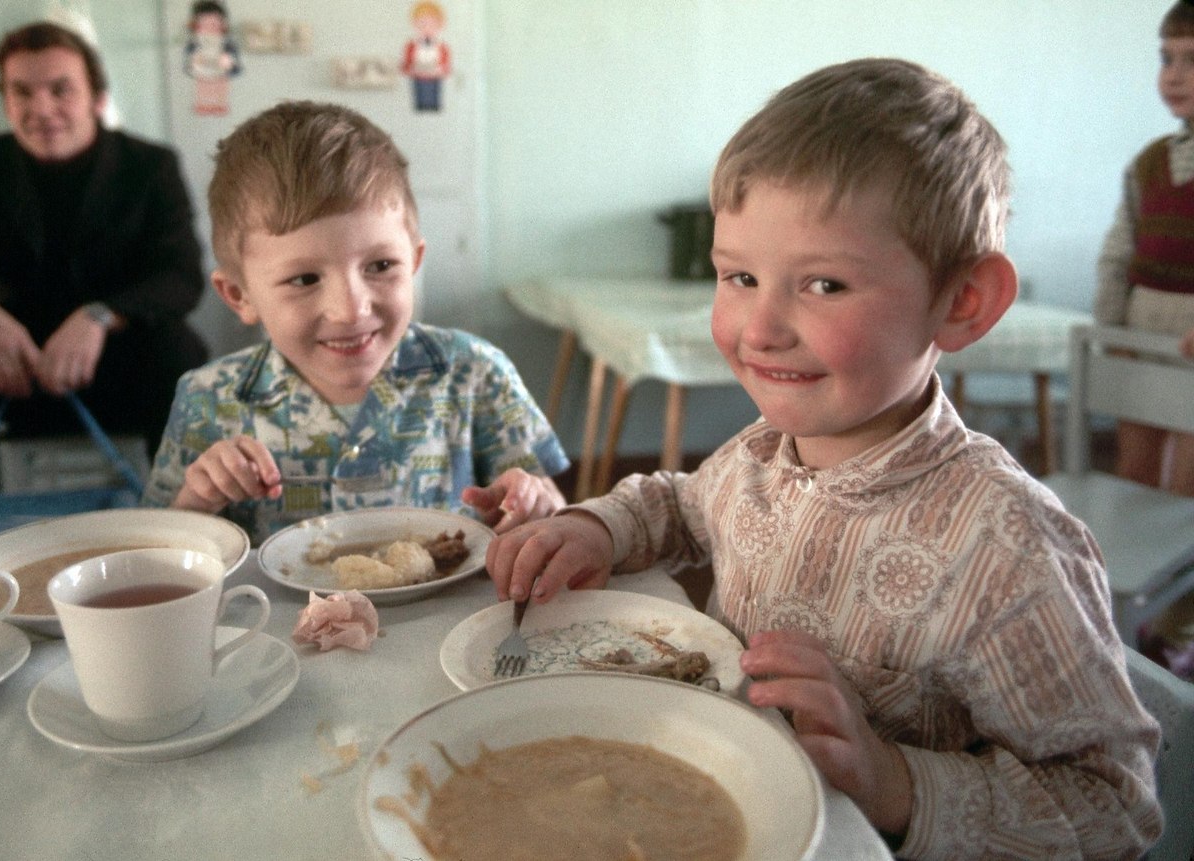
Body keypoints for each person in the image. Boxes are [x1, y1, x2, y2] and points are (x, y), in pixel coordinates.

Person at [486, 59, 1162, 859]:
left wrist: (895, 779)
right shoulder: (761, 455)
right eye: (739, 275)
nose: (760, 326)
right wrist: (599, 526)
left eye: (825, 284)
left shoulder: (1006, 547)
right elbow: (682, 503)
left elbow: (1116, 810)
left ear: (962, 301)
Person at [142, 101, 568, 545]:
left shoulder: (476, 373)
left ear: (415, 260)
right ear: (239, 295)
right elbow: (162, 551)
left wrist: (537, 505)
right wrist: (198, 500)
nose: (350, 310)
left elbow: (552, 514)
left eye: (381, 265)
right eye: (305, 279)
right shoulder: (206, 401)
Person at [0, 21, 208, 525]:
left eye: (60, 89)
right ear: (4, 99)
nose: (41, 109)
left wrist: (101, 317)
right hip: (9, 361)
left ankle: (191, 525)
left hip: (121, 353)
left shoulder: (151, 165)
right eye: (21, 91)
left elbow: (180, 276)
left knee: (183, 358)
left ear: (96, 96)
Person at [1096, 0, 1194, 496]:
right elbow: (1120, 248)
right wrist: (1110, 324)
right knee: (1132, 473)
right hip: (1141, 333)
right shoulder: (1150, 162)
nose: (1174, 76)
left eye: (1192, 60)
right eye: (1166, 59)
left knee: (1184, 488)